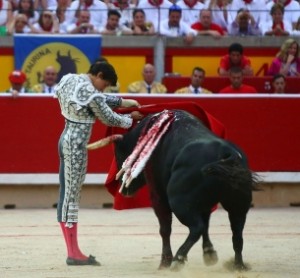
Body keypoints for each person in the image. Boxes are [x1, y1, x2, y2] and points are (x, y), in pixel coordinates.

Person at [55, 61, 144, 266]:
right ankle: (74, 253)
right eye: (105, 83)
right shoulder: (91, 91)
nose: (103, 88)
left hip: (64, 139)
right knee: (71, 197)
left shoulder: (69, 79)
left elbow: (93, 98)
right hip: (76, 147)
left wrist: (122, 100)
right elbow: (108, 117)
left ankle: (73, 250)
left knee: (65, 194)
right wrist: (131, 118)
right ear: (99, 75)